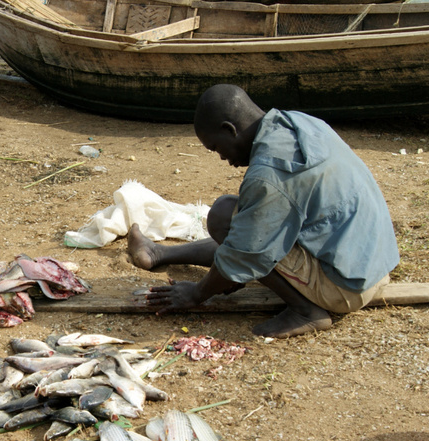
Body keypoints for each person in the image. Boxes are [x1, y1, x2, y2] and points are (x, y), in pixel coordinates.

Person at [127, 84, 399, 338]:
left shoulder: (270, 173)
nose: (222, 157)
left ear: (229, 129)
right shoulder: (298, 123)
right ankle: (159, 253)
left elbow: (246, 252)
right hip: (373, 264)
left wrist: (197, 293)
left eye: (216, 148)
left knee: (224, 216)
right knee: (247, 224)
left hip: (346, 287)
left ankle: (307, 311)